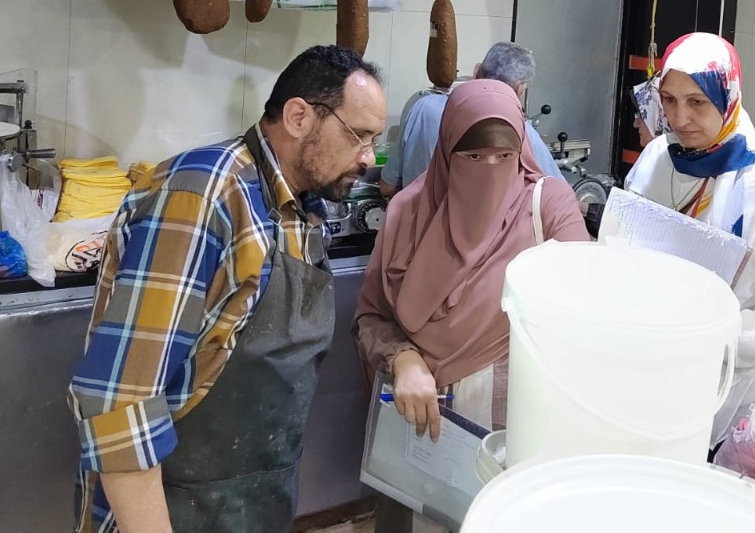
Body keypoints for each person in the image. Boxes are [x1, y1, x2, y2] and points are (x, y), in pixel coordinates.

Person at [68, 45, 386, 533]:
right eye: (358, 135)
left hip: (253, 503)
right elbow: (119, 403)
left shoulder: (304, 209)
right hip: (174, 506)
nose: (367, 157)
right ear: (299, 117)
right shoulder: (203, 194)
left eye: (373, 140)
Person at [356, 80, 592, 442]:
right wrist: (402, 358)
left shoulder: (548, 206)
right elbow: (369, 317)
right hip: (416, 427)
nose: (489, 170)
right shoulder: (407, 214)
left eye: (504, 157)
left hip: (516, 432)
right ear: (448, 150)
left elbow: (585, 309)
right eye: (474, 157)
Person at [623, 33, 755, 448]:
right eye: (669, 100)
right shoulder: (654, 161)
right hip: (644, 383)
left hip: (730, 404)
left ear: (728, 96)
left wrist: (711, 341)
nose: (680, 118)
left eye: (697, 102)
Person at [379, 42, 562, 197]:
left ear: (476, 71)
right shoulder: (520, 132)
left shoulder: (423, 108)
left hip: (415, 227)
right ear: (520, 90)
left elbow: (387, 186)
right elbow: (560, 199)